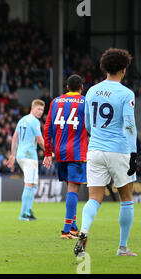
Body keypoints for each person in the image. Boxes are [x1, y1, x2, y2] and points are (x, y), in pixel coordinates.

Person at [74, 48, 138, 257]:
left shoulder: (91, 91)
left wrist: (98, 135)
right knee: (126, 199)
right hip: (119, 150)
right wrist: (134, 154)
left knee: (93, 198)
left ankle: (83, 231)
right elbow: (129, 126)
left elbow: (88, 124)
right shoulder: (126, 93)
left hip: (95, 149)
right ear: (122, 69)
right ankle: (122, 247)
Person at [43, 74, 88, 239]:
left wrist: (48, 152)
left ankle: (74, 227)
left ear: (67, 87)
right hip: (77, 151)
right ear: (82, 87)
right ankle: (66, 230)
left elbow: (47, 127)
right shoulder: (85, 102)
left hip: (60, 151)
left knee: (70, 187)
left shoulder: (55, 102)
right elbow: (91, 126)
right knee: (74, 188)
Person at [7, 99, 45, 221]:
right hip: (29, 156)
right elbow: (40, 140)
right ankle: (23, 214)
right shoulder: (34, 121)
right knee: (29, 184)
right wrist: (49, 152)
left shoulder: (22, 119)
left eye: (42, 110)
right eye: (38, 109)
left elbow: (14, 138)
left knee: (33, 185)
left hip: (20, 155)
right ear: (32, 108)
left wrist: (13, 155)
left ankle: (28, 211)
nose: (40, 112)